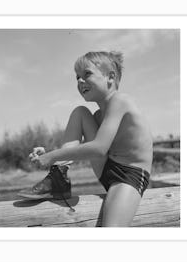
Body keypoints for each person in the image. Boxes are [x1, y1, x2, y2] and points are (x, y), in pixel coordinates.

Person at [19, 51, 153, 227]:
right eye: (77, 77)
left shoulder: (121, 101)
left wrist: (52, 156)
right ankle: (58, 176)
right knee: (79, 112)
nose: (80, 81)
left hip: (129, 176)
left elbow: (98, 148)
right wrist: (55, 156)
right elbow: (88, 148)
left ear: (110, 77)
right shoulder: (97, 116)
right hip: (107, 168)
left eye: (87, 74)